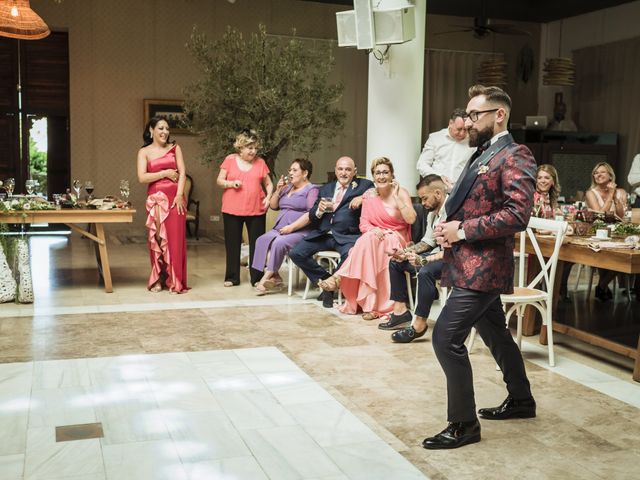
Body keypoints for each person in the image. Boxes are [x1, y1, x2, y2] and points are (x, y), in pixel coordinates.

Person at [423, 85, 537, 450]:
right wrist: (448, 229)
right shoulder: (483, 152)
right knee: (496, 334)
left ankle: (463, 425)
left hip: (484, 267)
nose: (468, 122)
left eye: (475, 115)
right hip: (468, 261)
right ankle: (521, 399)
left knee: (445, 337)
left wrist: (463, 230)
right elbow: (472, 203)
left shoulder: (515, 154)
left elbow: (518, 215)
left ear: (498, 115)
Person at [318, 157, 416, 319]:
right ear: (373, 176)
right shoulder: (369, 195)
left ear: (392, 175)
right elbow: (364, 224)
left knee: (369, 241)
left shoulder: (401, 192)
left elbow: (411, 219)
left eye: (385, 172)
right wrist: (374, 229)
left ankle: (340, 277)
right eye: (377, 173)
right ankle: (369, 306)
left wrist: (398, 199)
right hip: (375, 238)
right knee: (368, 237)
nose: (381, 176)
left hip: (397, 238)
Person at [289, 156, 374, 308]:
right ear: (335, 170)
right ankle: (327, 281)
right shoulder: (326, 188)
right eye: (340, 169)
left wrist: (363, 196)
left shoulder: (364, 185)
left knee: (350, 255)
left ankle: (329, 287)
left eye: (348, 169)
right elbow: (313, 215)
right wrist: (319, 211)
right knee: (296, 253)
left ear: (355, 172)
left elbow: (379, 191)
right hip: (324, 234)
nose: (343, 173)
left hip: (347, 236)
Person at [379, 174, 447, 343]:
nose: (422, 203)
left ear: (438, 193)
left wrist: (423, 260)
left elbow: (452, 250)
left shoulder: (453, 210)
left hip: (453, 258)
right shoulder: (432, 213)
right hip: (435, 255)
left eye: (424, 198)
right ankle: (400, 312)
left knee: (425, 271)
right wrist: (405, 252)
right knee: (396, 262)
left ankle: (419, 324)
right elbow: (427, 242)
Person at [137, 116, 188, 293]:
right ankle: (158, 278)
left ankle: (175, 280)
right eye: (160, 128)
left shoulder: (175, 148)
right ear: (151, 130)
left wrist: (180, 194)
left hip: (176, 199)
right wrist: (165, 173)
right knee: (158, 238)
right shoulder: (144, 152)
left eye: (167, 128)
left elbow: (182, 173)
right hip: (156, 198)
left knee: (174, 239)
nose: (165, 132)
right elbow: (142, 177)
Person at [252, 159, 319, 294]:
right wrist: (278, 190)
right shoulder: (287, 187)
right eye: (290, 170)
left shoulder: (312, 189)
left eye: (295, 170)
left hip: (301, 230)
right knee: (261, 240)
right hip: (280, 228)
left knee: (279, 242)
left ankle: (266, 277)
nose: (290, 173)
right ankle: (275, 276)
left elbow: (311, 215)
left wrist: (292, 228)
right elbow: (273, 205)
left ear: (305, 173)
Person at [217, 130, 273, 287]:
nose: (253, 151)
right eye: (249, 147)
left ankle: (257, 278)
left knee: (258, 245)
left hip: (256, 209)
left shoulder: (260, 162)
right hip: (231, 209)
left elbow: (268, 183)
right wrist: (230, 183)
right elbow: (219, 180)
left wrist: (268, 198)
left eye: (255, 148)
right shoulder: (229, 160)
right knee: (232, 244)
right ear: (240, 147)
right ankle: (232, 277)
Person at [585, 162, 628, 301]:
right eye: (596, 173)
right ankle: (602, 287)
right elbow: (601, 215)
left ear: (610, 175)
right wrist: (610, 194)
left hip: (619, 234)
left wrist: (615, 197)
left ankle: (602, 285)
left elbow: (621, 216)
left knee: (623, 257)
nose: (598, 175)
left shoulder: (621, 192)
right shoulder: (591, 193)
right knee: (607, 256)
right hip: (598, 233)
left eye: (602, 172)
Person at [416, 108, 475, 191]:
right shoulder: (435, 138)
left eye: (465, 129)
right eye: (459, 129)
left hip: (461, 191)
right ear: (450, 123)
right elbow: (422, 164)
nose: (462, 133)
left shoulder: (473, 142)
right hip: (437, 190)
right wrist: (438, 177)